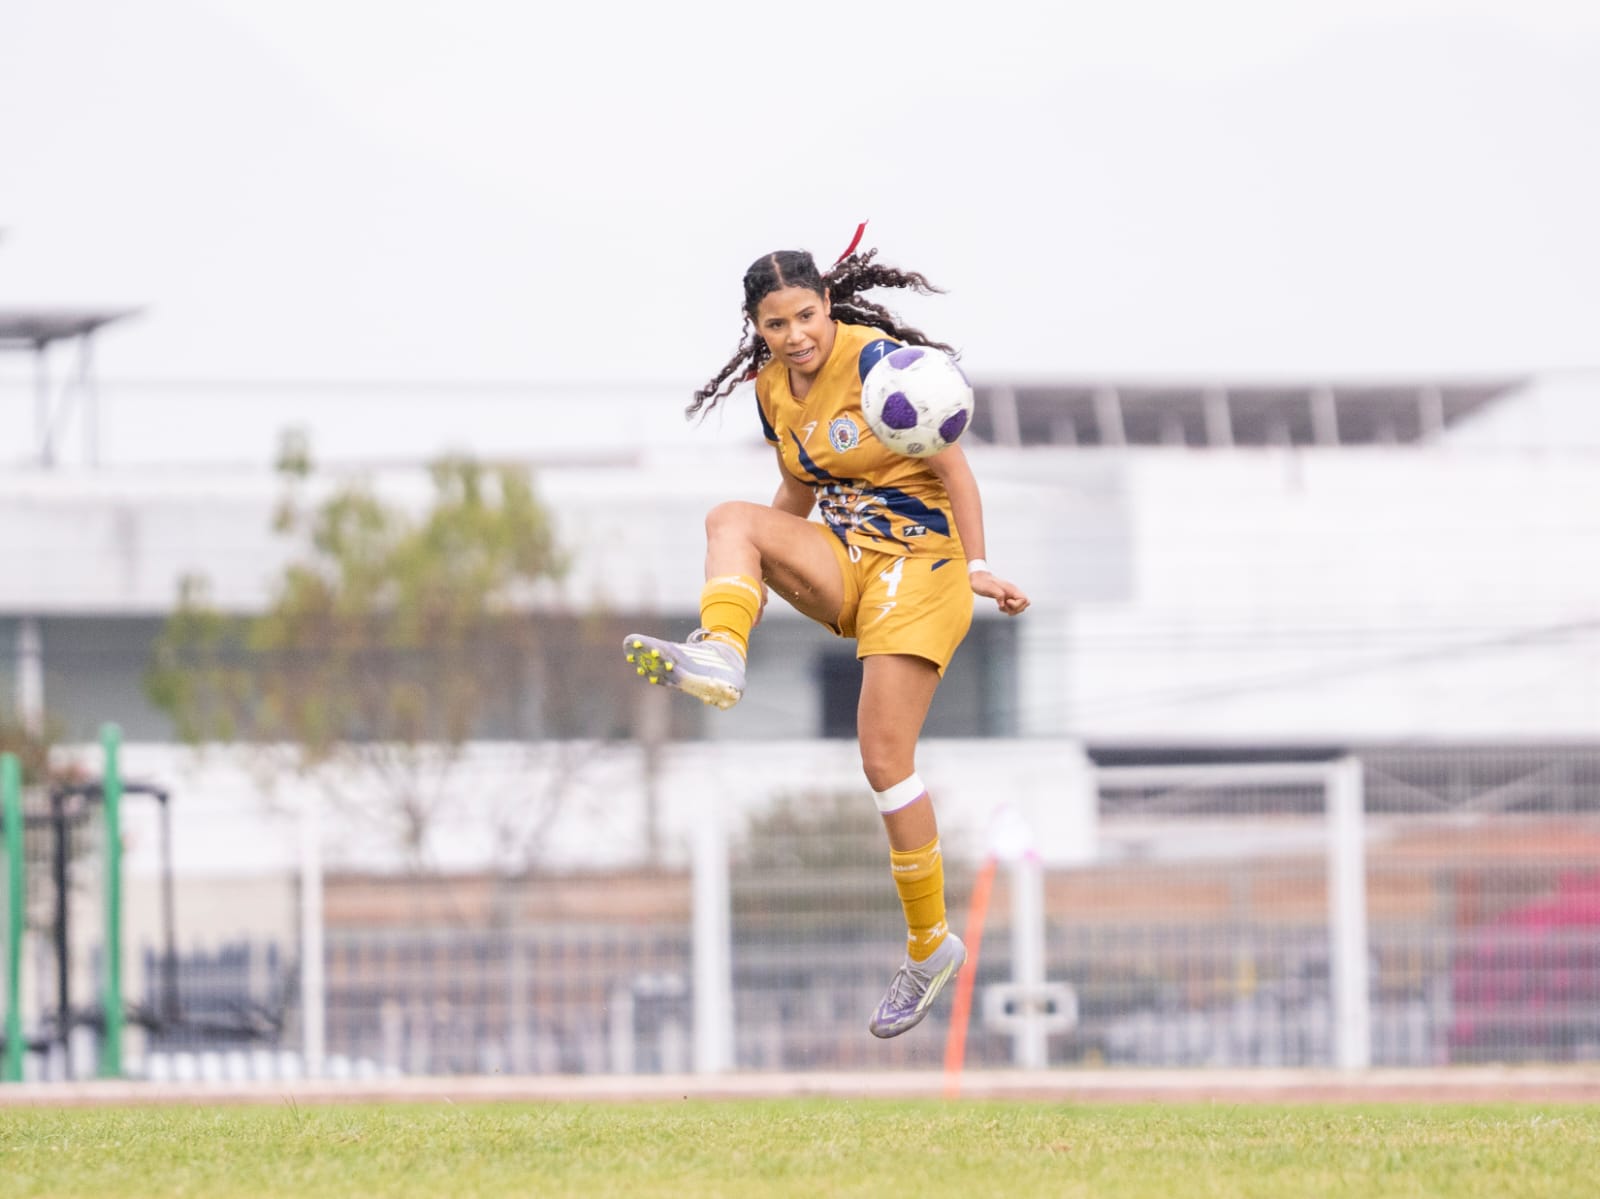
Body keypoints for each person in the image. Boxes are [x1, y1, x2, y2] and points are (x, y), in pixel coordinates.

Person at [622, 229, 1029, 1038]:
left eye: (806, 315)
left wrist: (980, 564)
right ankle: (723, 654)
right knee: (730, 518)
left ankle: (929, 945)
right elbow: (797, 487)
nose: (796, 335)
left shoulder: (882, 365)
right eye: (776, 325)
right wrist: (754, 569)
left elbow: (955, 470)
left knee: (883, 760)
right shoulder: (773, 388)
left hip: (922, 570)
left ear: (827, 304)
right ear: (757, 328)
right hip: (851, 561)